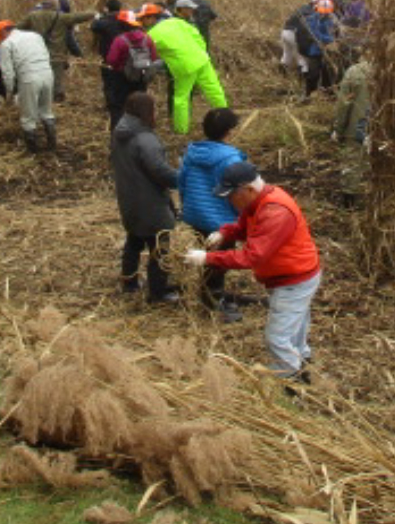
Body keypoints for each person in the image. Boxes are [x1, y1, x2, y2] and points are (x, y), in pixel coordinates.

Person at [184, 161, 321, 381]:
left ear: (248, 189)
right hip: (293, 274)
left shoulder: (276, 211)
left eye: (231, 195)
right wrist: (225, 233)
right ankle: (302, 361)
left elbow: (253, 255)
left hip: (294, 280)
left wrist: (207, 258)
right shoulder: (258, 202)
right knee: (295, 325)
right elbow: (246, 227)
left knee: (277, 337)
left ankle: (291, 382)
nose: (229, 201)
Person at [177, 108, 248, 322]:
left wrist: (187, 204)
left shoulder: (192, 153)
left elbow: (181, 182)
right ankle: (212, 301)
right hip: (220, 219)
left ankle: (208, 293)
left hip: (196, 214)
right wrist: (242, 218)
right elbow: (238, 194)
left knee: (206, 253)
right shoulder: (230, 159)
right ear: (229, 132)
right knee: (219, 260)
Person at [111, 92, 180, 304]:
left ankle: (129, 281)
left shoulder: (120, 131)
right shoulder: (145, 139)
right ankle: (158, 292)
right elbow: (159, 171)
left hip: (129, 196)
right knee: (160, 245)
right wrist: (182, 179)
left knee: (134, 238)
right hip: (150, 201)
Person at [140, 3, 227, 135]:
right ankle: (226, 120)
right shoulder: (176, 22)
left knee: (181, 99)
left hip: (183, 66)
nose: (142, 22)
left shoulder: (151, 35)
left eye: (143, 18)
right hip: (201, 58)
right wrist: (201, 51)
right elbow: (197, 35)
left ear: (151, 18)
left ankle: (181, 130)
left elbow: (150, 56)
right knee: (214, 90)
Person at [18, 0, 95, 102]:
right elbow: (78, 17)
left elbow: (18, 28)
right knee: (56, 79)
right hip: (56, 54)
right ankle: (55, 99)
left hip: (37, 52)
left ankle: (39, 96)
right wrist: (94, 14)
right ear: (56, 4)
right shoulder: (61, 17)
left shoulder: (33, 16)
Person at [0, 19, 57, 152]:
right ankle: (52, 144)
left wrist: (10, 91)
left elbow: (7, 72)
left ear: (3, 31)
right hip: (47, 73)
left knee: (28, 117)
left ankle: (33, 150)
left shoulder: (7, 44)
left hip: (29, 77)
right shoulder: (35, 36)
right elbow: (46, 53)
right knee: (46, 111)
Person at [103, 9, 160, 131]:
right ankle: (142, 130)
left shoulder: (120, 40)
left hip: (121, 77)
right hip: (141, 77)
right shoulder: (147, 38)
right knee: (140, 105)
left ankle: (119, 132)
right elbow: (154, 57)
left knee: (119, 106)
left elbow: (111, 60)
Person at [331, 53, 372, 207]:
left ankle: (349, 201)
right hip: (386, 130)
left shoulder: (355, 72)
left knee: (353, 162)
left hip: (356, 126)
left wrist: (338, 129)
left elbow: (344, 104)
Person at [295, 0, 338, 96]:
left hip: (328, 51)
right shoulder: (312, 19)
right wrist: (326, 39)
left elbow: (333, 34)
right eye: (322, 11)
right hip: (315, 50)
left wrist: (329, 40)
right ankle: (309, 93)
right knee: (313, 74)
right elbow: (314, 33)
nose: (324, 14)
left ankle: (328, 93)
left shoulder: (331, 19)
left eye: (326, 12)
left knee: (328, 73)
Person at [280, 1, 313, 78]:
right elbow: (304, 30)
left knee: (287, 54)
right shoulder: (309, 13)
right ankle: (302, 77)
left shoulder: (301, 9)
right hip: (293, 34)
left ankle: (282, 75)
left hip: (284, 31)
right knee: (301, 56)